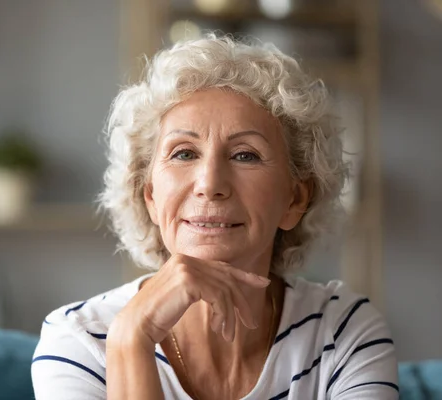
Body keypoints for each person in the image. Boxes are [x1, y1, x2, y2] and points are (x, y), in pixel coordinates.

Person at [31, 35, 398, 399]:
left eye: (245, 155)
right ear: (151, 197)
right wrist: (131, 339)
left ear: (294, 200)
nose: (209, 184)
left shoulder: (344, 332)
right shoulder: (78, 341)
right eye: (184, 153)